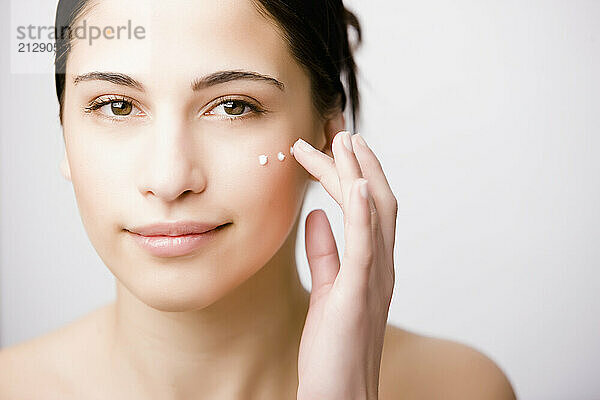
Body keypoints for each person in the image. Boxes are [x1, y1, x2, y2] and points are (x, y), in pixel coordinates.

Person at [0, 0, 516, 399]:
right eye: (116, 105)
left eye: (232, 106)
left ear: (326, 132)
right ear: (63, 130)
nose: (169, 177)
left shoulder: (461, 387)